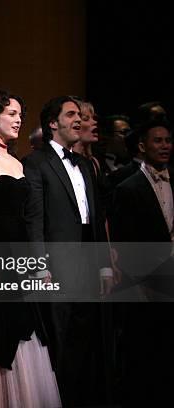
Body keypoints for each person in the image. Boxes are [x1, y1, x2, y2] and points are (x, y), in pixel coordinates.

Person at [0, 88, 60, 407]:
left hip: (19, 255)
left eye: (21, 114)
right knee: (1, 328)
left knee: (25, 326)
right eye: (12, 114)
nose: (19, 120)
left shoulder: (14, 160)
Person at [22, 95, 114, 406]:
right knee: (61, 341)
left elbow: (97, 217)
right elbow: (34, 219)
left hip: (88, 262)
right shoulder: (35, 163)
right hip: (57, 265)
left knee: (88, 340)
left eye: (80, 115)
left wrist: (104, 266)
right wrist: (39, 264)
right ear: (52, 123)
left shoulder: (87, 164)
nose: (79, 119)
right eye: (71, 114)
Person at [110, 119, 173, 405]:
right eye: (158, 141)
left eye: (168, 141)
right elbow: (124, 243)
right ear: (142, 146)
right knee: (147, 354)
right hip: (147, 284)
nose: (165, 146)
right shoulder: (127, 188)